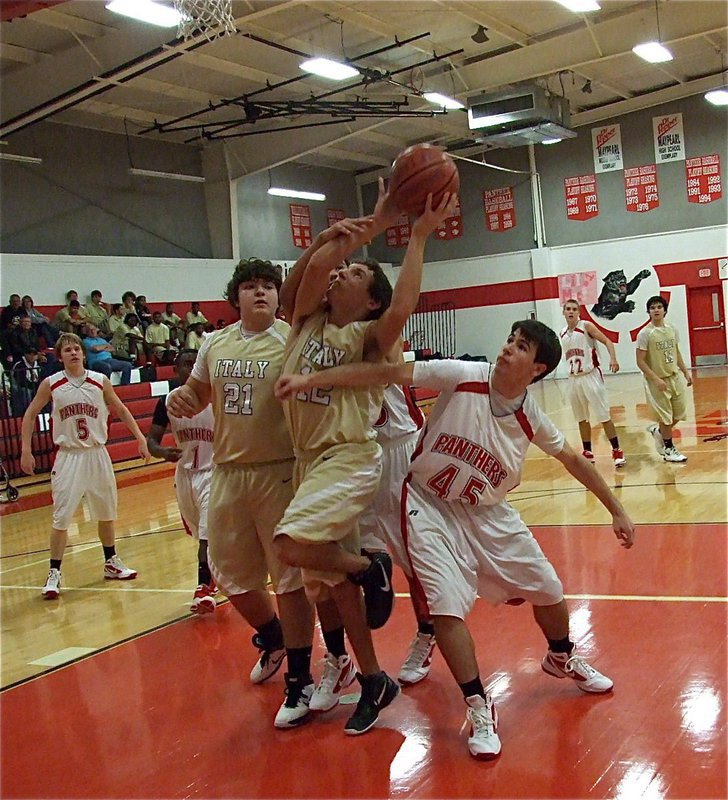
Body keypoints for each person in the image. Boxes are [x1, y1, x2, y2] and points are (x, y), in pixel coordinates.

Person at [276, 319, 636, 759]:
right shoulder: (462, 376)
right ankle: (479, 705)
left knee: (549, 589)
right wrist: (311, 379)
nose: (508, 349)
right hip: (428, 505)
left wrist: (616, 508)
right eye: (510, 340)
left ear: (537, 368)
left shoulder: (529, 417)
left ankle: (561, 655)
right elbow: (382, 374)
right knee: (446, 605)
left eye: (521, 347)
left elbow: (572, 461)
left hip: (488, 512)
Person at [273, 185, 458, 736]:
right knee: (329, 584)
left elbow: (402, 306)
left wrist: (415, 235)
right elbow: (298, 286)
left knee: (287, 545)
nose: (341, 274)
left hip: (349, 457)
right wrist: (337, 239)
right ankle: (374, 678)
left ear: (370, 299)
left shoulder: (368, 337)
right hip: (311, 461)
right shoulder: (307, 322)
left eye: (354, 274)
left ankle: (371, 567)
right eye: (342, 269)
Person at [166, 258, 315, 729]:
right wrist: (179, 400)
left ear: (278, 296)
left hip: (279, 470)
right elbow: (197, 395)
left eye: (268, 287)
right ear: (236, 297)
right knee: (230, 576)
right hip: (229, 472)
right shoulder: (215, 342)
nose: (260, 293)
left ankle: (300, 677)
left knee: (289, 579)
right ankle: (272, 639)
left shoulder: (290, 340)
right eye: (250, 286)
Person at [20, 332, 150, 599]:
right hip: (69, 456)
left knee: (106, 511)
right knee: (62, 517)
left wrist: (140, 438)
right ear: (60, 356)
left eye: (76, 348)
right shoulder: (51, 384)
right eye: (67, 350)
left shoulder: (99, 381)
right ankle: (54, 572)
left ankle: (111, 561)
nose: (74, 353)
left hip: (97, 453)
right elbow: (30, 413)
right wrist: (25, 450)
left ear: (83, 352)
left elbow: (122, 409)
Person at [147, 349, 216, 614]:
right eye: (186, 364)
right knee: (201, 535)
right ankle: (213, 577)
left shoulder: (216, 398)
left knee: (207, 538)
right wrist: (162, 452)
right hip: (185, 476)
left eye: (195, 363)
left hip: (214, 472)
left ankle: (202, 588)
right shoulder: (167, 401)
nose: (192, 368)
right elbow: (151, 440)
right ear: (176, 370)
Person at [559, 299, 626, 465]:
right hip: (573, 379)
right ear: (564, 312)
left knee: (603, 415)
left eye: (574, 309)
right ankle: (588, 451)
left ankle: (617, 450)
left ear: (579, 312)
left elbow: (607, 341)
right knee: (581, 418)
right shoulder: (561, 333)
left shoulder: (586, 326)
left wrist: (613, 358)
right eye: (568, 309)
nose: (571, 312)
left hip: (591, 376)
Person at [636, 295, 692, 463]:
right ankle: (668, 449)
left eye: (659, 307)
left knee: (679, 413)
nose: (656, 310)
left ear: (665, 310)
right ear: (649, 312)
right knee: (666, 417)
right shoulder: (645, 334)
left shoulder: (672, 329)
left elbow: (676, 352)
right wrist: (655, 379)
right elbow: (640, 361)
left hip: (674, 376)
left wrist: (685, 371)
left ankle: (659, 432)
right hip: (658, 381)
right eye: (652, 308)